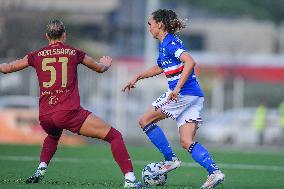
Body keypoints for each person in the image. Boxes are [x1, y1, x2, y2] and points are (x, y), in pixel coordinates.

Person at [0, 19, 145, 188]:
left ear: (47, 36)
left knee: (53, 135)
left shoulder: (35, 55)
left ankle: (41, 169)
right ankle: (130, 179)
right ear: (64, 35)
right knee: (115, 136)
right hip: (67, 112)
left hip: (45, 115)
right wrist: (105, 64)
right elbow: (99, 68)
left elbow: (7, 68)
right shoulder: (73, 53)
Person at [122, 9, 225, 189]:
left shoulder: (169, 42)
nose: (149, 28)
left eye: (150, 24)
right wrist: (138, 76)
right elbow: (160, 67)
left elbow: (190, 61)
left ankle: (170, 160)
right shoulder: (166, 44)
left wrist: (176, 88)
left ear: (159, 24)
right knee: (186, 141)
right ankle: (214, 172)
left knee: (145, 120)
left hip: (183, 93)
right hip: (194, 95)